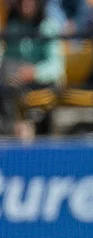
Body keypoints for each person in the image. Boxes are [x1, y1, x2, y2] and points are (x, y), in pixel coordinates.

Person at [0, 0, 64, 140]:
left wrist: (34, 72)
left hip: (43, 84)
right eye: (22, 2)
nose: (26, 5)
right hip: (16, 83)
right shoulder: (13, 26)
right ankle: (12, 133)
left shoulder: (49, 28)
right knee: (5, 89)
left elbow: (56, 68)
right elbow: (7, 58)